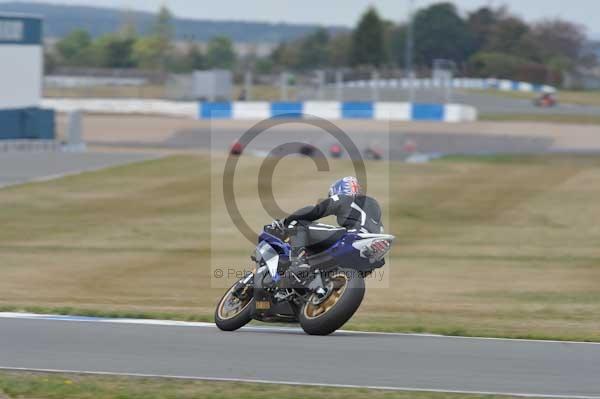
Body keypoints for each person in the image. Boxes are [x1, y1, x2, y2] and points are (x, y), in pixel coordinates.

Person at [271, 176, 383, 287]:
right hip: (371, 250)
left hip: (353, 237)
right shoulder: (373, 204)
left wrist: (285, 221)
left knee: (297, 224)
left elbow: (316, 211)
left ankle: (297, 264)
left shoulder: (343, 198)